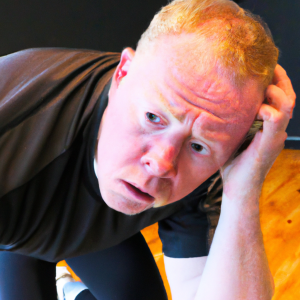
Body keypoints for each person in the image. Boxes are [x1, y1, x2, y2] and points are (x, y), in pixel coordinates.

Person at [0, 0, 296, 299]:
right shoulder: (12, 126)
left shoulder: (209, 167)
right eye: (154, 118)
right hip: (16, 201)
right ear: (123, 74)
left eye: (197, 146)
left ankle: (69, 291)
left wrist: (244, 189)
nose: (162, 163)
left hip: (85, 217)